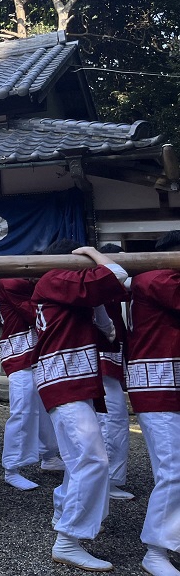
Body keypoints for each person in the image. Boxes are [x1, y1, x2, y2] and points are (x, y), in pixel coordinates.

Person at [33, 241, 128, 572]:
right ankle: (68, 539)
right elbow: (117, 274)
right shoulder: (55, 279)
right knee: (92, 459)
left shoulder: (66, 291)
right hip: (63, 380)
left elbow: (109, 330)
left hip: (69, 379)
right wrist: (92, 253)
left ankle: (64, 517)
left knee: (80, 459)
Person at [125, 231, 180, 576]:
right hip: (156, 385)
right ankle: (155, 550)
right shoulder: (155, 277)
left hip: (168, 384)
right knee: (173, 469)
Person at [0, 276, 62, 491]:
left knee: (45, 408)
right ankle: (11, 469)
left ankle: (50, 455)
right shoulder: (10, 282)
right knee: (22, 410)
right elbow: (35, 313)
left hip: (37, 351)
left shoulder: (29, 283)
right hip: (19, 352)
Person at [95, 243, 134, 501]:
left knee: (105, 420)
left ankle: (104, 479)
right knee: (113, 419)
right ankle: (106, 481)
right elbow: (120, 277)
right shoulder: (102, 282)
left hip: (108, 354)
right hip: (102, 355)